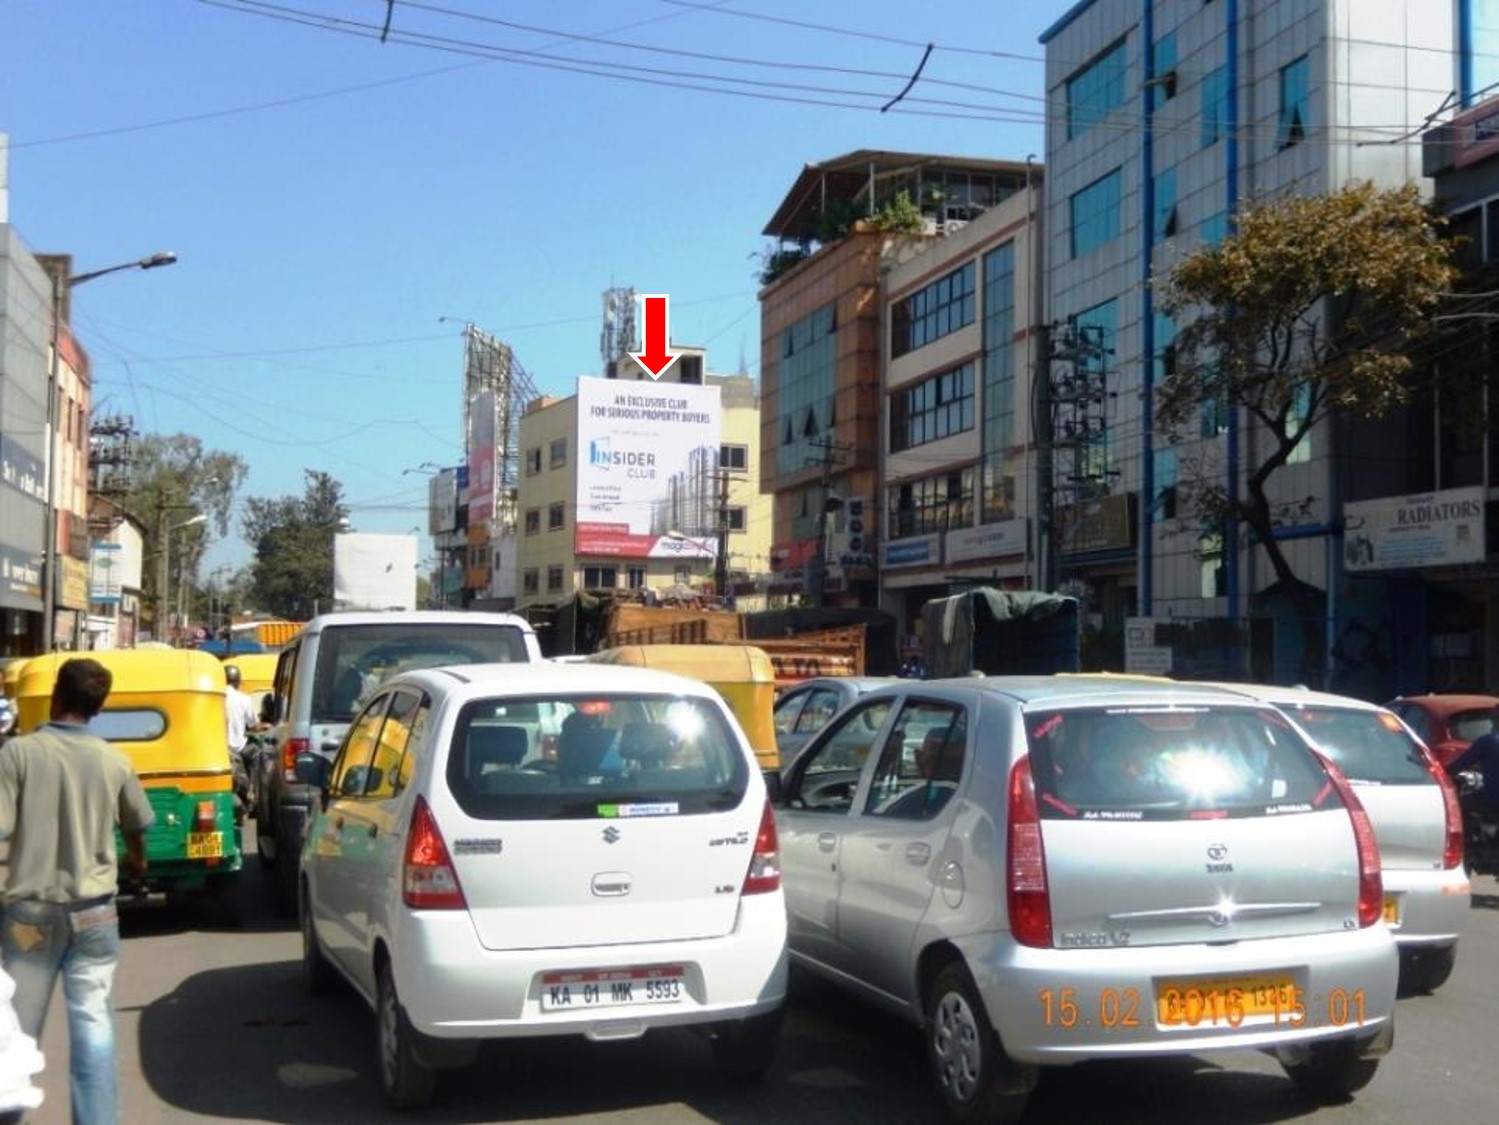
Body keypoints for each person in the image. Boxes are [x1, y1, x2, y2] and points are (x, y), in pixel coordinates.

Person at [0, 657, 154, 1124]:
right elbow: (138, 824)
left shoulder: (18, 754)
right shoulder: (114, 760)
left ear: (56, 696)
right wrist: (137, 860)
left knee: (18, 1030)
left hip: (29, 916)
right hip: (96, 915)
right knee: (94, 1026)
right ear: (98, 708)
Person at [224, 664, 261, 816]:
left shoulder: (214, 697)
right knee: (258, 753)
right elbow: (254, 725)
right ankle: (252, 790)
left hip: (219, 748)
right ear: (238, 682)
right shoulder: (243, 699)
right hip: (239, 748)